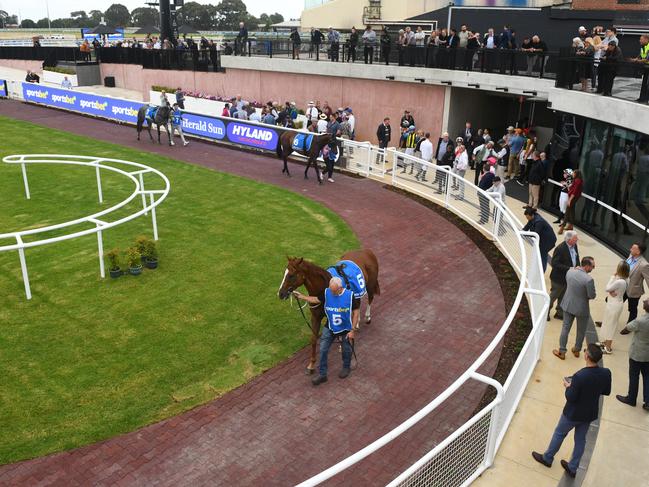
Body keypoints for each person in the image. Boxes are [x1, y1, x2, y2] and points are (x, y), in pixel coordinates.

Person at [532, 343, 611, 478]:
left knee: (559, 433)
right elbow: (606, 391)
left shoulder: (580, 376)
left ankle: (547, 458)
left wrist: (568, 386)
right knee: (580, 440)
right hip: (589, 414)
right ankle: (572, 467)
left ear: (586, 356)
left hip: (572, 413)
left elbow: (570, 397)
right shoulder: (606, 373)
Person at [293, 277, 359, 386]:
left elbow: (356, 312)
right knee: (323, 348)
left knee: (346, 350)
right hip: (330, 326)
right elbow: (316, 299)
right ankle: (322, 374)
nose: (331, 293)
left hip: (345, 328)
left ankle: (346, 367)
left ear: (340, 288)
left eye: (334, 291)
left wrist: (352, 330)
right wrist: (301, 296)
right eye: (330, 289)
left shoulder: (350, 296)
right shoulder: (327, 292)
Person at [553, 257, 597, 360]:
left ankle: (562, 351)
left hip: (568, 304)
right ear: (586, 266)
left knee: (565, 328)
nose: (593, 268)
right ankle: (577, 349)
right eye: (592, 266)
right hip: (582, 308)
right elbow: (592, 296)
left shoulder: (570, 271)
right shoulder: (589, 279)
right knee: (581, 330)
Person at [617, 298, 649, 410]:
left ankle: (631, 398)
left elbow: (626, 329)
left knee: (634, 375)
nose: (644, 300)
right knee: (647, 376)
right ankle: (648, 401)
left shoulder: (640, 321)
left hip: (637, 352)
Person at [597, 261, 630, 354]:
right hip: (616, 303)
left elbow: (607, 288)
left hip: (614, 305)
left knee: (610, 325)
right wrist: (612, 291)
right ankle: (605, 342)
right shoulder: (626, 279)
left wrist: (612, 277)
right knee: (608, 323)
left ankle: (608, 347)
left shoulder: (619, 281)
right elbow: (612, 289)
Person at [548, 231, 580, 321]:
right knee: (553, 296)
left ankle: (559, 313)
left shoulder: (575, 246)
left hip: (568, 278)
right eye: (575, 238)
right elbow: (555, 263)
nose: (577, 239)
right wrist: (570, 268)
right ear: (569, 239)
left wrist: (578, 266)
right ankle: (545, 312)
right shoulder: (560, 248)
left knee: (563, 296)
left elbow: (576, 258)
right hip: (558, 278)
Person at [625, 242, 649, 323]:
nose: (630, 249)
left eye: (633, 248)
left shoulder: (644, 265)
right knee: (613, 303)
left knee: (632, 309)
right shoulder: (630, 255)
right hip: (623, 286)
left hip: (633, 290)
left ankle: (630, 326)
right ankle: (607, 322)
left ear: (638, 252)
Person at [559, 169, 583, 235]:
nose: (572, 174)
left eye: (573, 173)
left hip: (573, 197)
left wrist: (570, 200)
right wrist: (566, 184)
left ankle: (562, 226)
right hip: (572, 197)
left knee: (567, 211)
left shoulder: (578, 181)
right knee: (571, 210)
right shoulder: (576, 180)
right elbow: (571, 188)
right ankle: (571, 225)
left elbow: (574, 192)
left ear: (576, 174)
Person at [632, 34, 649, 103]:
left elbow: (647, 59)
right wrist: (636, 59)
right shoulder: (643, 46)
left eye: (641, 39)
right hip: (645, 67)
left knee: (648, 85)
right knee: (644, 84)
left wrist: (637, 61)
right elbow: (640, 55)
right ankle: (641, 98)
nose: (640, 41)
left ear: (646, 39)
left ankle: (646, 100)